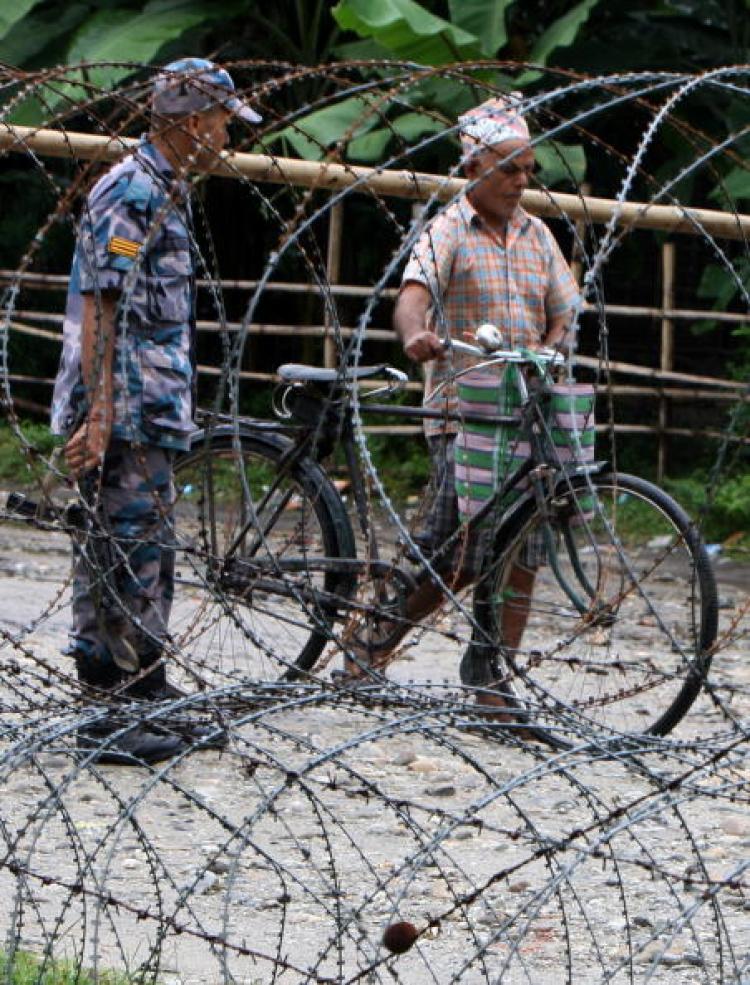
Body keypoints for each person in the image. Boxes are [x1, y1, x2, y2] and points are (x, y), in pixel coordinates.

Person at [51, 58, 262, 763]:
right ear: (195, 120)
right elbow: (103, 305)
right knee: (121, 546)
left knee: (146, 546)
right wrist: (102, 413)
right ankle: (112, 703)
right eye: (225, 119)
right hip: (126, 407)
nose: (229, 132)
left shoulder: (165, 190)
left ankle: (146, 683)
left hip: (152, 403)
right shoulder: (131, 191)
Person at [349, 95, 579, 714]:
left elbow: (566, 312)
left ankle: (490, 680)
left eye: (528, 169)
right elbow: (412, 295)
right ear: (473, 167)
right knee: (452, 550)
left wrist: (553, 348)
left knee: (525, 546)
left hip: (528, 409)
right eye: (508, 168)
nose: (520, 181)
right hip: (463, 411)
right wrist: (416, 335)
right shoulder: (448, 228)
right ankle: (370, 642)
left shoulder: (539, 235)